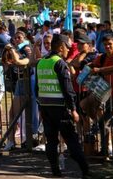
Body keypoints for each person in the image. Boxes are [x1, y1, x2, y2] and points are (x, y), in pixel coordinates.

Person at [36, 34, 88, 177]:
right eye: (68, 47)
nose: (69, 50)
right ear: (60, 47)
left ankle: (55, 170)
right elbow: (67, 89)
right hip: (61, 109)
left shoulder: (41, 62)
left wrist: (40, 107)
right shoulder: (60, 63)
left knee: (51, 141)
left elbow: (37, 88)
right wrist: (73, 109)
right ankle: (86, 171)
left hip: (46, 108)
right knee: (72, 141)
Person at [90, 34, 113, 157]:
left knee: (104, 122)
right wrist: (89, 67)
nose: (108, 47)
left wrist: (101, 70)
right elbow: (93, 65)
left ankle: (105, 152)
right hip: (107, 95)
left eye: (110, 44)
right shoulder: (102, 57)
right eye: (105, 45)